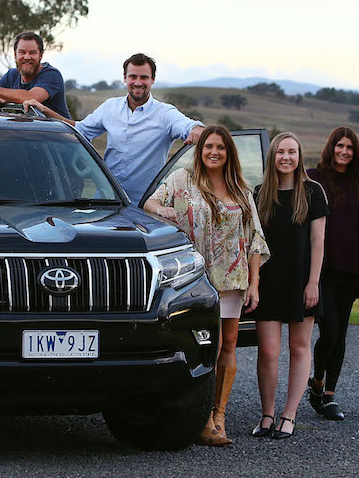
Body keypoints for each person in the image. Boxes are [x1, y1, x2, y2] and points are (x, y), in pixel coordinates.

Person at [144, 124, 269, 446]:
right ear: (200, 151)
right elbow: (149, 205)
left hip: (231, 280)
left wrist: (254, 284)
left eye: (221, 147)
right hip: (194, 280)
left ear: (229, 153)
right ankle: (196, 416)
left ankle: (218, 416)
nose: (214, 152)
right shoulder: (182, 180)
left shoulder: (240, 189)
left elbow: (255, 239)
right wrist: (164, 209)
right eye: (208, 146)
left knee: (228, 345)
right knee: (200, 346)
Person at [25, 53, 203, 205]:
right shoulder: (110, 107)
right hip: (107, 200)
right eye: (133, 77)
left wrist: (196, 129)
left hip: (147, 205)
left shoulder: (165, 114)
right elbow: (81, 131)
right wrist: (46, 111)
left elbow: (189, 127)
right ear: (125, 78)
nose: (138, 82)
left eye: (144, 77)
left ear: (153, 80)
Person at [250, 132, 327, 440]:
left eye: (292, 152)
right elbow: (253, 243)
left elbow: (318, 241)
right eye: (281, 152)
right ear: (272, 156)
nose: (286, 157)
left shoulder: (313, 192)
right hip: (268, 281)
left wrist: (313, 283)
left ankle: (289, 414)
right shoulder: (259, 193)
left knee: (299, 347)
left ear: (299, 157)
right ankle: (267, 413)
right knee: (268, 351)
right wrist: (252, 283)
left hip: (301, 280)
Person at [306, 126, 359, 421]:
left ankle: (329, 395)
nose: (344, 151)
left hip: (350, 267)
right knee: (328, 331)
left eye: (349, 148)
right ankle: (316, 382)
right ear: (331, 148)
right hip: (324, 268)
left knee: (341, 334)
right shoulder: (313, 178)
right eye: (339, 146)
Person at [0, 31, 70, 118]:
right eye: (22, 52)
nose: (27, 57)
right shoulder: (12, 75)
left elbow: (31, 97)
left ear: (41, 55)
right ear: (15, 55)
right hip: (27, 131)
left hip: (59, 132)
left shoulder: (51, 75)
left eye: (32, 53)